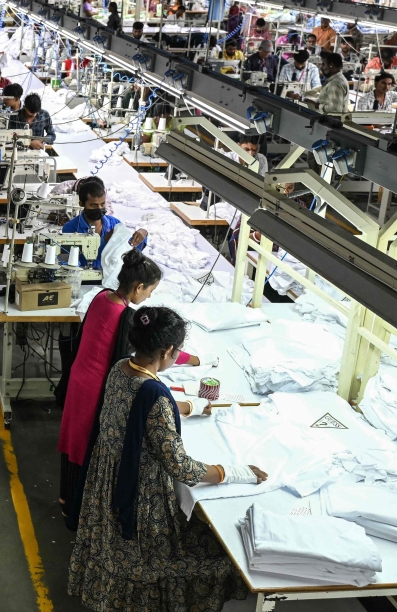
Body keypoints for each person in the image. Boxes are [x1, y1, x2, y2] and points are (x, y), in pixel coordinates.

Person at [67, 306, 266, 609]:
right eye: (178, 351)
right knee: (216, 554)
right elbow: (182, 468)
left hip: (107, 478)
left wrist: (188, 407)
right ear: (168, 350)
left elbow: (137, 407)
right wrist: (235, 472)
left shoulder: (121, 367)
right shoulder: (155, 397)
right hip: (138, 494)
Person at [57, 251, 210, 528]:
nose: (149, 297)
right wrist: (195, 360)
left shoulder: (103, 297)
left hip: (79, 380)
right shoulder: (125, 316)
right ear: (139, 287)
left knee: (73, 442)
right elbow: (151, 350)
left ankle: (66, 500)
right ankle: (77, 510)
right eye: (150, 291)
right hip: (94, 389)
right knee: (85, 446)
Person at [61, 177, 148, 267]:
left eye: (102, 204)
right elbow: (70, 262)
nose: (99, 208)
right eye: (93, 205)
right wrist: (104, 241)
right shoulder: (70, 228)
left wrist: (143, 233)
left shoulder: (114, 224)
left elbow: (130, 249)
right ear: (81, 204)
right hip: (83, 279)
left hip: (111, 278)